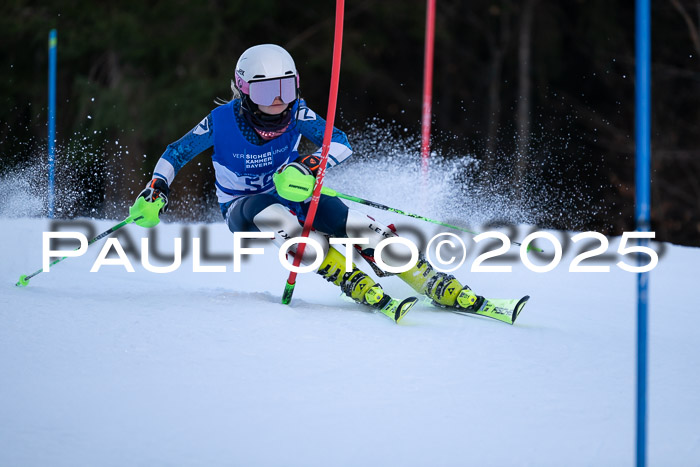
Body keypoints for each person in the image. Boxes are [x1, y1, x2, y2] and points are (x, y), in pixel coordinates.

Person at [130, 44, 481, 324]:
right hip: (244, 207)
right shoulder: (220, 122)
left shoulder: (298, 113)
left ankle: (432, 281)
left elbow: (341, 142)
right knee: (287, 224)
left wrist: (309, 164)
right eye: (266, 92)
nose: (279, 100)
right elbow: (175, 153)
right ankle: (350, 278)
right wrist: (157, 188)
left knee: (358, 225)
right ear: (244, 89)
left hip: (293, 192)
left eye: (285, 87)